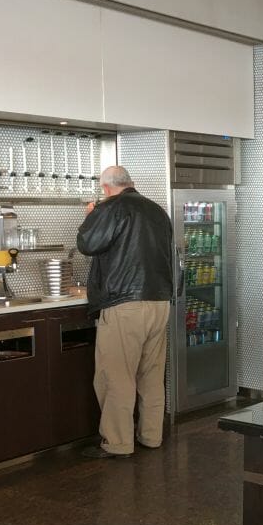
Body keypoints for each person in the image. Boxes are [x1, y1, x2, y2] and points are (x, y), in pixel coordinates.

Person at [76, 165, 173, 459]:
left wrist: (92, 215)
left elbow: (87, 244)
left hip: (125, 303)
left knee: (116, 375)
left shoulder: (111, 208)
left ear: (106, 188)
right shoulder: (157, 210)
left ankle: (117, 443)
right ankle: (151, 437)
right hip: (159, 301)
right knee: (152, 375)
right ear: (131, 182)